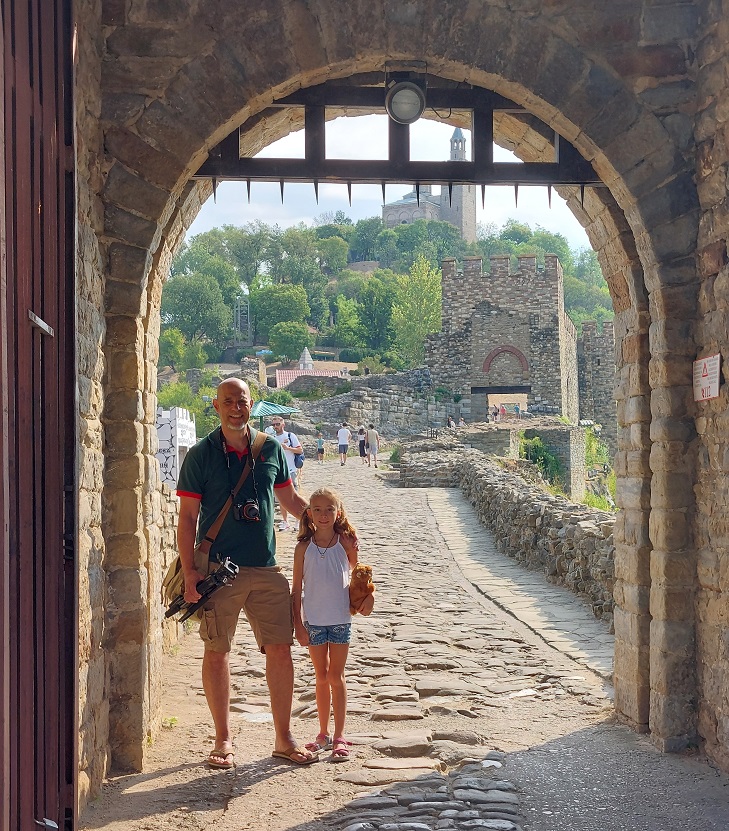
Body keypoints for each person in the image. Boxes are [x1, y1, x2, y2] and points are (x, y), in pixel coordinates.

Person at [176, 378, 315, 770]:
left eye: (243, 401)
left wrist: (325, 523)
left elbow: (288, 499)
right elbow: (187, 519)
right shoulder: (202, 456)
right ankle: (222, 739)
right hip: (218, 570)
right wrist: (189, 572)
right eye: (229, 401)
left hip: (266, 567)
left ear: (251, 405)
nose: (237, 407)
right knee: (217, 652)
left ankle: (284, 739)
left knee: (281, 650)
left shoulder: (270, 448)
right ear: (216, 406)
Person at [292, 488, 360, 762]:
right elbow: (296, 589)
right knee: (321, 676)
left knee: (336, 676)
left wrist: (352, 546)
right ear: (309, 513)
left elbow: (355, 571)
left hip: (341, 618)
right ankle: (323, 733)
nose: (323, 515)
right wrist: (298, 624)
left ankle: (340, 735)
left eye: (329, 509)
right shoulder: (302, 548)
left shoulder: (345, 543)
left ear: (338, 512)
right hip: (315, 621)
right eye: (317, 509)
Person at [271, 416, 304, 531]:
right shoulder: (273, 438)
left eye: (277, 424)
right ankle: (285, 521)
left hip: (291, 470)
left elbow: (300, 450)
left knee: (294, 496)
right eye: (273, 425)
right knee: (281, 498)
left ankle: (298, 520)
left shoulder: (290, 436)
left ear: (283, 425)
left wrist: (288, 448)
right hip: (279, 472)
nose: (275, 426)